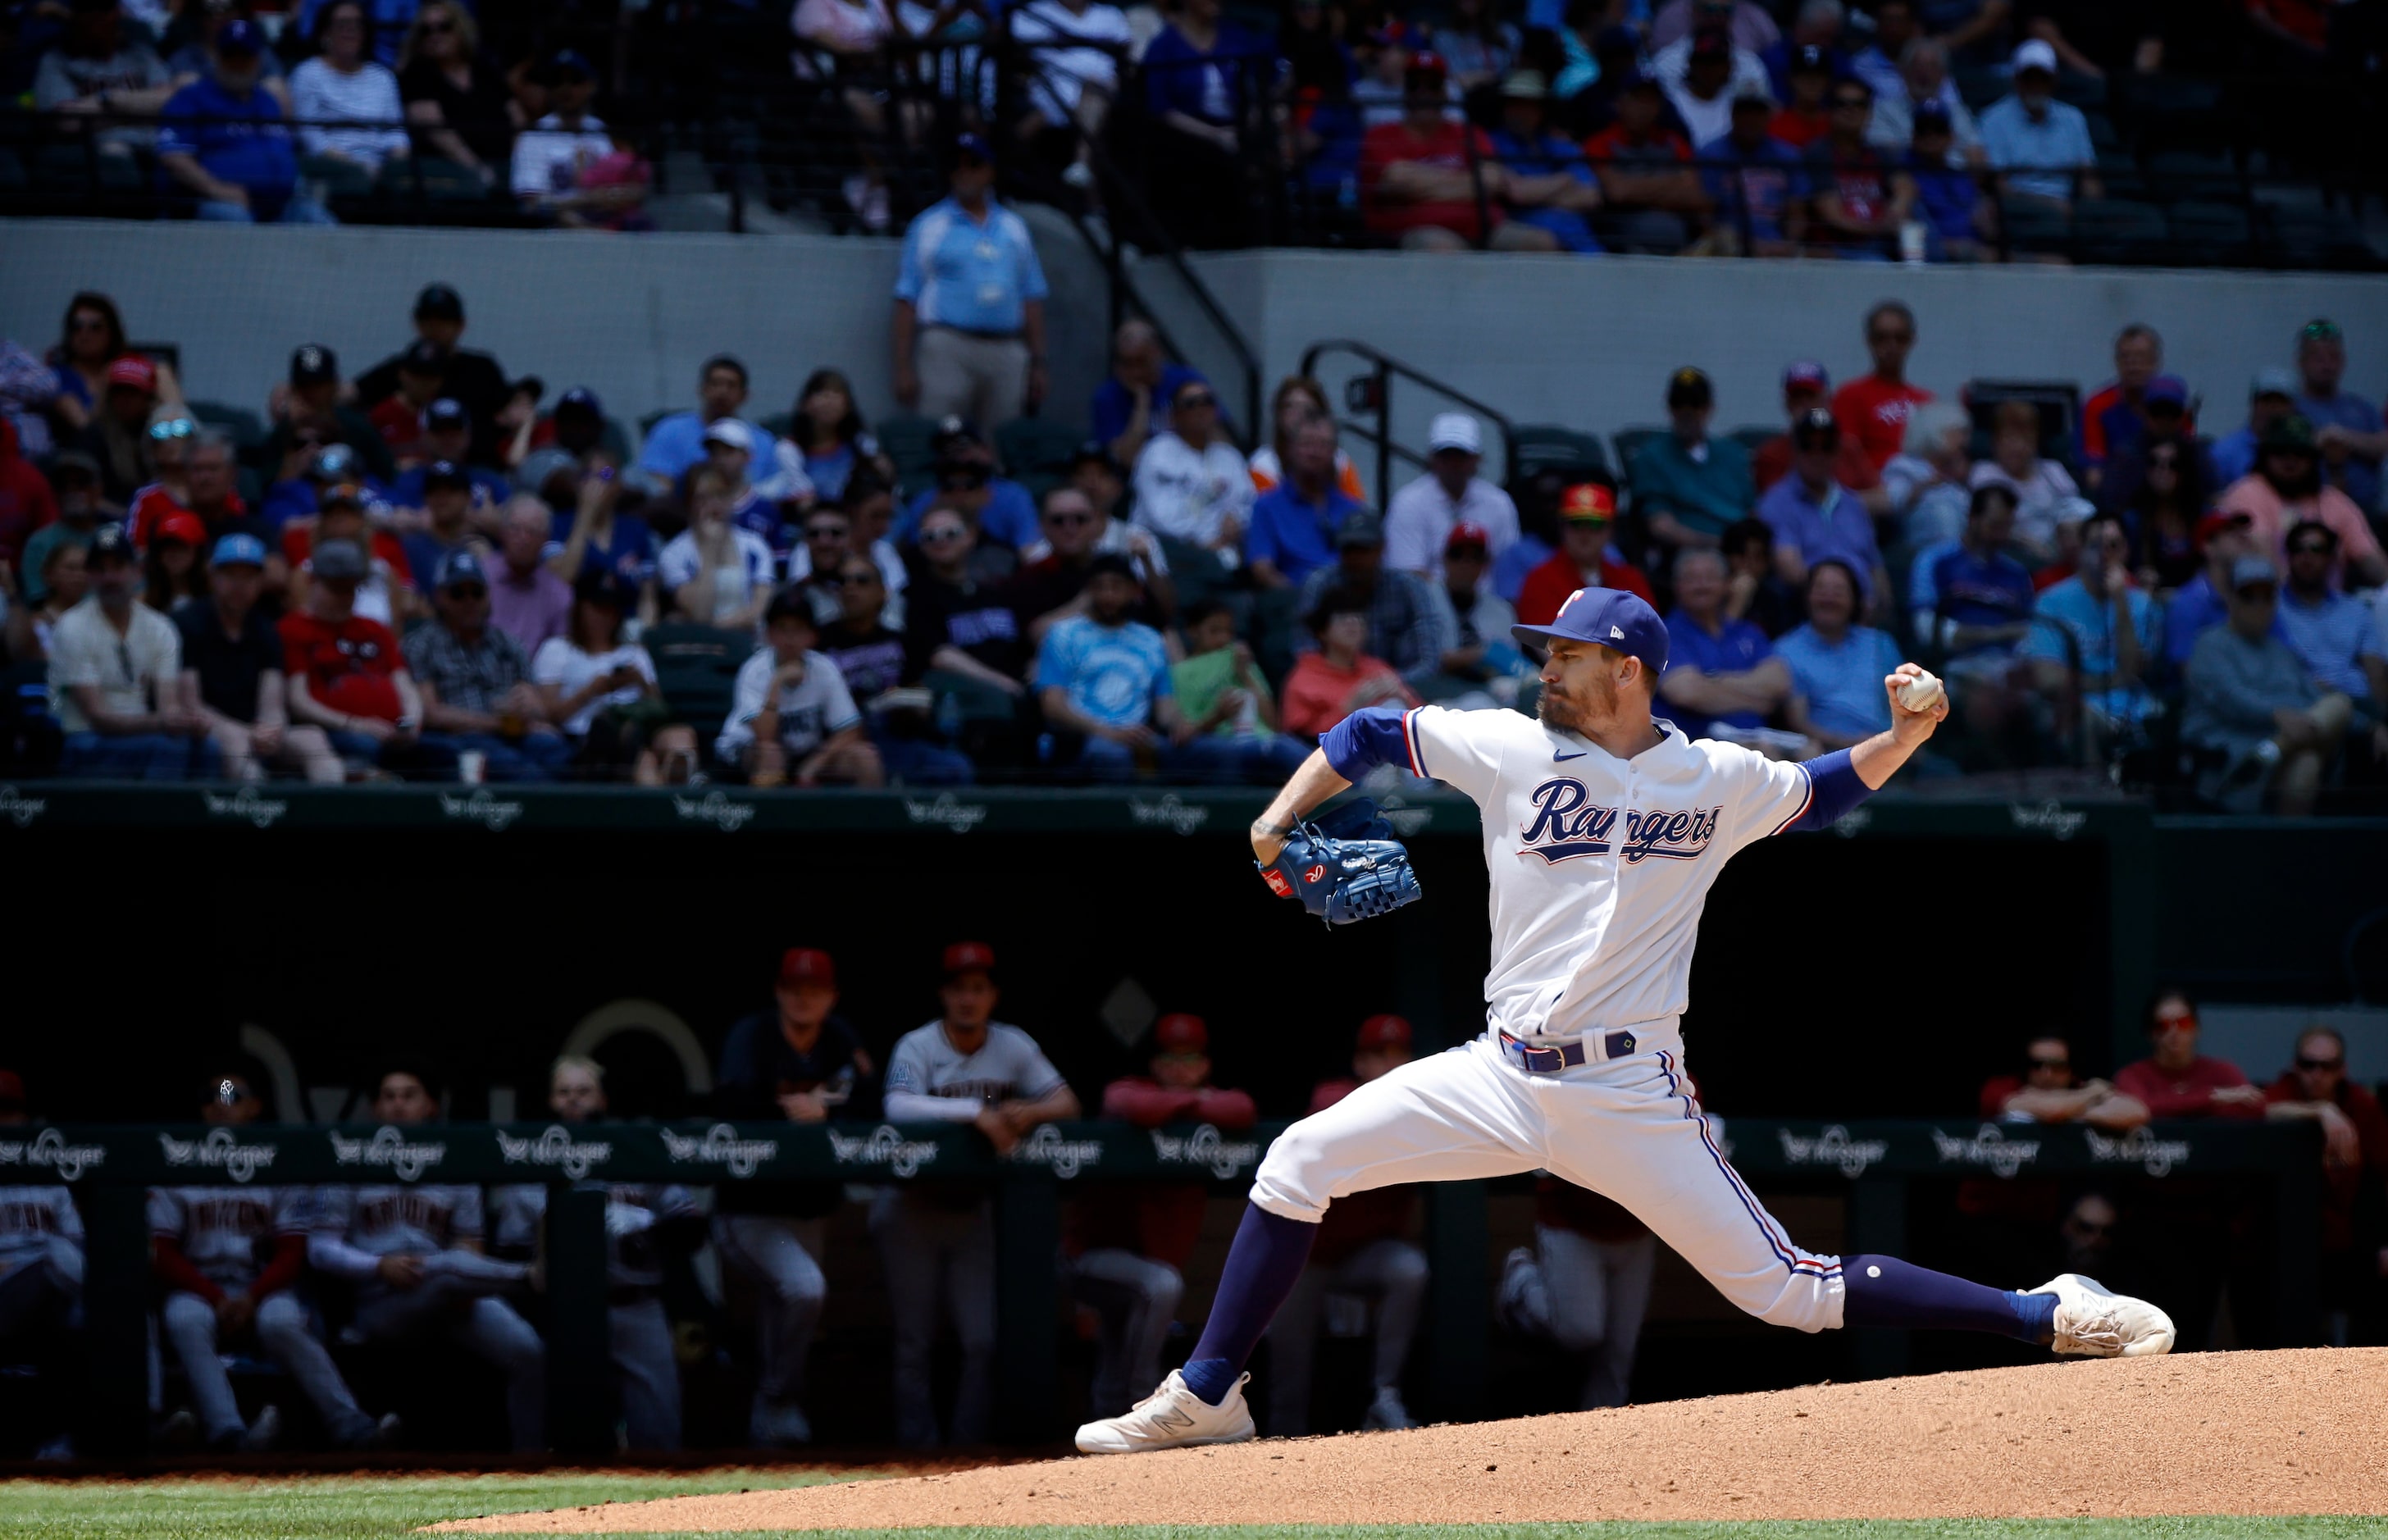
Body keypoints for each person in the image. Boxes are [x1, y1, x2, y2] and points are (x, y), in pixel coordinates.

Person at [1073, 585, 2174, 1457]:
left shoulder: (1715, 777)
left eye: (1564, 653)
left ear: (1626, 669)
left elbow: (1823, 790)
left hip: (1629, 1091)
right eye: (1544, 651)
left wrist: (1906, 734)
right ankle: (1209, 1391)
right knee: (1298, 1160)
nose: (1543, 666)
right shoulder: (1510, 746)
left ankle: (2046, 1310)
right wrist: (1276, 820)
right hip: (1498, 1074)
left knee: (1792, 1294)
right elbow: (1366, 728)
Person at [878, 943, 1080, 1447]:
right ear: (944, 995)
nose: (968, 999)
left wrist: (1029, 1113)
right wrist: (976, 1114)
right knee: (913, 1344)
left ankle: (967, 1455)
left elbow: (1067, 1101)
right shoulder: (917, 1045)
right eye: (959, 989)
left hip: (974, 1212)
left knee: (982, 1341)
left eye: (978, 989)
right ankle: (915, 1451)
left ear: (992, 996)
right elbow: (897, 1107)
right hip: (912, 1208)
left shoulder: (1012, 1045)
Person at [153, 1070, 393, 1452]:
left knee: (282, 1321)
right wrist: (214, 1295)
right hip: (200, 1287)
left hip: (261, 1285)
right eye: (211, 1096)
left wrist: (252, 1296)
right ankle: (228, 1432)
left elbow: (292, 1249)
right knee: (184, 1319)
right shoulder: (176, 1162)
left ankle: (351, 1426)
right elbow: (161, 1251)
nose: (220, 1103)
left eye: (232, 1095)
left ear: (255, 1107)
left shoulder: (276, 1160)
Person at [308, 1066, 544, 1451]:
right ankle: (531, 1277)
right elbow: (319, 1249)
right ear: (375, 1108)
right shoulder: (348, 1159)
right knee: (445, 1267)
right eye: (389, 1096)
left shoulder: (454, 1161)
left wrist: (468, 1283)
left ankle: (531, 1461)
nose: (398, 1104)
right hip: (380, 1302)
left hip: (450, 1293)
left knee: (527, 1351)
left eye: (409, 1095)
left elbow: (470, 1244)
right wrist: (377, 1265)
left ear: (430, 1105)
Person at [486, 1058, 696, 1451]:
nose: (573, 1101)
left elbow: (691, 1227)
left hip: (636, 1305)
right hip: (561, 1313)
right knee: (561, 1440)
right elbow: (509, 1255)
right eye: (564, 1093)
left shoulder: (639, 1152)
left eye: (583, 1092)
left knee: (661, 1438)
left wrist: (646, 1222)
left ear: (601, 1098)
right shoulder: (529, 1163)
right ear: (550, 1100)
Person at [713, 949, 876, 1447]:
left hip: (809, 1209)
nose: (804, 997)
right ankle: (777, 1400)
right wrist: (790, 1109)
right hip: (749, 1209)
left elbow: (870, 1104)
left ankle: (769, 1424)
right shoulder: (753, 1036)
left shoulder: (842, 1039)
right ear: (779, 992)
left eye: (815, 989)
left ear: (831, 996)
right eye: (794, 988)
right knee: (804, 1290)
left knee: (785, 1306)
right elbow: (730, 1102)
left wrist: (825, 1115)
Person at [1071, 1014, 1258, 1418]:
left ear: (1206, 1065)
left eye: (1190, 1058)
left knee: (1119, 1344)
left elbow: (1242, 1108)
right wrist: (1195, 1103)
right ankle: (1145, 1404)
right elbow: (1130, 1103)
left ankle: (1109, 1428)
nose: (1179, 1067)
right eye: (1170, 1058)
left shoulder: (1216, 1104)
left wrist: (1191, 1106)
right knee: (1161, 1285)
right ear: (1153, 1064)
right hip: (1088, 1258)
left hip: (1141, 1267)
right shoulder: (1131, 1090)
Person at [1263, 1015, 1429, 1434]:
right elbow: (1325, 1104)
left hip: (1363, 1255)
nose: (1390, 1064)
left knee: (1409, 1269)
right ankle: (1282, 1458)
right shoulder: (1337, 1097)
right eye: (1379, 1055)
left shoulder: (1427, 1107)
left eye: (1399, 1055)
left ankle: (1384, 1397)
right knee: (1289, 1390)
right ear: (1360, 1062)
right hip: (1304, 1257)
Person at [891, 134, 1050, 429]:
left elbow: (1032, 296)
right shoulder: (928, 226)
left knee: (1003, 442)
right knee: (939, 437)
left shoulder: (1015, 228)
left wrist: (1038, 362)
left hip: (1007, 349)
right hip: (948, 347)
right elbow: (907, 298)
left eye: (973, 163)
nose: (964, 171)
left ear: (990, 171)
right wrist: (903, 367)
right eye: (957, 164)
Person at [2182, 555, 2352, 816]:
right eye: (2249, 595)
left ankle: (2274, 750)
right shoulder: (2210, 644)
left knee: (2335, 710)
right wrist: (2276, 714)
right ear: (2231, 599)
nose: (2260, 604)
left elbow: (2315, 697)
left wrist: (2374, 727)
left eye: (2268, 596)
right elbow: (2231, 698)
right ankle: (2272, 754)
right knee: (2330, 720)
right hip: (2230, 749)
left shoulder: (2281, 652)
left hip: (2285, 745)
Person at [49, 523, 216, 779]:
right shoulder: (71, 627)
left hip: (141, 734)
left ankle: (203, 820)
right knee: (168, 747)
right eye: (100, 570)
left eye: (118, 567)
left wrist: (188, 722)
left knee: (210, 749)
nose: (109, 578)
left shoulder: (160, 627)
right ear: (90, 577)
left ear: (137, 572)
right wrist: (163, 723)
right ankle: (153, 819)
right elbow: (97, 716)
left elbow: (168, 704)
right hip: (84, 737)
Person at [1033, 554, 1215, 781]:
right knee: (1112, 755)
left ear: (1133, 591)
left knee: (1213, 753)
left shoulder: (1151, 641)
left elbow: (1165, 708)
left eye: (1116, 587)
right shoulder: (1063, 635)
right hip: (1080, 739)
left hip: (1136, 737)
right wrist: (1108, 732)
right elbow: (1053, 705)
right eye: (1099, 587)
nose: (1107, 595)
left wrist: (1182, 724)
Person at [177, 533, 342, 783]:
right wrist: (245, 732)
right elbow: (191, 704)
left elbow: (272, 702)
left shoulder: (267, 630)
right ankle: (260, 816)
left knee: (313, 739)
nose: (239, 584)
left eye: (249, 576)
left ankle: (325, 818)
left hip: (253, 729)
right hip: (210, 728)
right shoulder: (188, 623)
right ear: (213, 577)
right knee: (236, 742)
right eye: (231, 574)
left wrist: (271, 729)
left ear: (261, 581)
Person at [281, 537, 446, 777]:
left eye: (351, 588)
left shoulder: (374, 629)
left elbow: (404, 685)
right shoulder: (293, 629)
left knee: (445, 752)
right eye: (337, 588)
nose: (345, 597)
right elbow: (298, 700)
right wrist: (355, 724)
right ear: (313, 582)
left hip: (393, 731)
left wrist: (409, 723)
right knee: (366, 748)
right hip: (337, 729)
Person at [2262, 1026, 2388, 1337]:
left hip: (2353, 1240)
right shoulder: (2284, 1092)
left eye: (2327, 1066)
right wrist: (2321, 1110)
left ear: (2342, 1070)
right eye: (2308, 1065)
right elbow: (2260, 1112)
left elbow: (2384, 1174)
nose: (2317, 1074)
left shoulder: (2362, 1104)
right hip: (2290, 1244)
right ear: (2295, 1066)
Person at [403, 549, 570, 781]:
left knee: (558, 754)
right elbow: (430, 713)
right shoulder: (422, 644)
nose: (469, 601)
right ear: (440, 597)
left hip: (516, 732)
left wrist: (532, 708)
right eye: (458, 593)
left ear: (488, 595)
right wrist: (495, 724)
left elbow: (535, 702)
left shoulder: (507, 642)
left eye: (477, 592)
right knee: (521, 771)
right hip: (461, 740)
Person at [157, 20, 335, 224]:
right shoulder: (192, 98)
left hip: (280, 205)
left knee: (316, 218)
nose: (238, 64)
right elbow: (173, 156)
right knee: (233, 218)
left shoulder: (267, 101)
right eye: (231, 56)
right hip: (215, 202)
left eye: (246, 57)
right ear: (217, 57)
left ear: (258, 59)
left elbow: (285, 152)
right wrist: (217, 189)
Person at [1497, 1179, 1655, 1410]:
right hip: (1571, 1222)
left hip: (1636, 1230)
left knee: (1619, 1351)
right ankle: (1522, 1282)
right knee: (1580, 1332)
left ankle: (1602, 1433)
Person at [1361, 54, 1530, 252]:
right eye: (1415, 86)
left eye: (1433, 87)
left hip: (1485, 228)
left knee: (1539, 243)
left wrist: (1421, 189)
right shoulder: (1380, 135)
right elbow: (1398, 180)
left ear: (1444, 92)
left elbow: (1492, 181)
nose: (1423, 94)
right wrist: (1469, 186)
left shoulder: (1468, 132)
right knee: (1442, 248)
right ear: (1405, 92)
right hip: (1415, 229)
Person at [0, 1071, 86, 1461]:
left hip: (47, 1290)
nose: (4, 1120)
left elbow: (74, 1243)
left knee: (69, 1300)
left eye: (10, 1111)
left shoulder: (48, 1174)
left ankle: (63, 1437)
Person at [717, 587, 881, 785]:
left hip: (805, 753)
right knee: (771, 754)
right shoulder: (754, 670)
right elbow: (765, 736)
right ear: (769, 634)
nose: (790, 639)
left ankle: (869, 816)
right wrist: (777, 683)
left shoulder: (824, 668)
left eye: (798, 630)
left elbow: (850, 729)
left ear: (812, 636)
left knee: (865, 757)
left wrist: (816, 762)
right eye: (782, 629)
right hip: (747, 751)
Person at [2217, 415, 2388, 589]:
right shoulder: (2247, 492)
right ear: (2265, 456)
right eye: (2281, 451)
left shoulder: (2334, 502)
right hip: (2269, 605)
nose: (2290, 460)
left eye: (2300, 453)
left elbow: (2372, 560)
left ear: (2313, 459)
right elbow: (2264, 560)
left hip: (2332, 608)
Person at [354, 285, 513, 470]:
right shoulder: (398, 368)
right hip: (414, 473)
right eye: (427, 320)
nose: (434, 327)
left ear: (460, 325)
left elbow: (511, 410)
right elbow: (352, 393)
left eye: (443, 320)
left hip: (476, 470)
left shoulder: (482, 369)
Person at [1294, 512, 1453, 691]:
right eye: (1349, 549)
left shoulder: (1409, 587)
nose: (1355, 558)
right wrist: (1347, 687)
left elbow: (1429, 661)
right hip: (1334, 691)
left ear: (1381, 548)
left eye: (1363, 549)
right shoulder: (1321, 584)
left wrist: (1383, 688)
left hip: (1402, 689)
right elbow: (1305, 653)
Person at [1657, 545, 1793, 743]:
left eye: (1710, 578)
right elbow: (1686, 693)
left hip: (1757, 736)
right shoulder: (1665, 633)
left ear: (1727, 583)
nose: (1701, 585)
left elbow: (1780, 683)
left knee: (1810, 750)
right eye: (1691, 579)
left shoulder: (1747, 631)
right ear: (1676, 585)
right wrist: (1758, 701)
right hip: (1696, 744)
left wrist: (1711, 680)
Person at [1757, 408, 1889, 613]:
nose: (1817, 454)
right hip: (1812, 613)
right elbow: (1791, 572)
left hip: (1865, 618)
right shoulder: (1776, 504)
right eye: (1808, 446)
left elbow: (1875, 567)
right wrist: (1846, 602)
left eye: (1826, 447)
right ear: (1795, 450)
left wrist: (1883, 609)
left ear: (1837, 452)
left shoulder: (1854, 504)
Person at [1777, 559, 1904, 751]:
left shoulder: (1880, 643)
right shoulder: (1786, 650)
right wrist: (1853, 746)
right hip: (1830, 756)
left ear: (1855, 600)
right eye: (1820, 590)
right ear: (1807, 596)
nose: (1829, 598)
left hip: (1895, 751)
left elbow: (1906, 706)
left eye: (1838, 591)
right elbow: (1797, 723)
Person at [2276, 522, 2387, 742]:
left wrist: (2383, 721)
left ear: (2332, 559)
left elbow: (2376, 675)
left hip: (2360, 703)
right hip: (2305, 704)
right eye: (2298, 549)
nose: (2307, 556)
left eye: (2317, 549)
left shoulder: (2355, 610)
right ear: (2288, 556)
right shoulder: (2271, 610)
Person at [1582, 67, 1709, 253]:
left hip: (1681, 247)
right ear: (1619, 103)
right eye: (1637, 99)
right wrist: (1674, 183)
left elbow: (1696, 196)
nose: (1644, 108)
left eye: (1651, 100)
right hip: (1623, 246)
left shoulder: (1674, 143)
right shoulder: (1600, 143)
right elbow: (1617, 192)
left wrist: (1637, 191)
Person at [1132, 378, 1252, 571]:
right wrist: (1207, 542)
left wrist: (1236, 519)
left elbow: (1248, 502)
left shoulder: (1230, 456)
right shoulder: (1157, 453)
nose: (1201, 408)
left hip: (1220, 552)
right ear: (1174, 415)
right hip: (1169, 552)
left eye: (1207, 401)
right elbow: (1163, 519)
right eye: (1190, 404)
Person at [1383, 413, 1521, 581]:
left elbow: (1509, 570)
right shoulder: (1408, 503)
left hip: (1489, 604)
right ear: (1432, 457)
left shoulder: (1499, 503)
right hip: (1425, 606)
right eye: (1446, 455)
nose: (1453, 463)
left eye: (1461, 455)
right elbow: (1407, 576)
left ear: (1477, 458)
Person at [1631, 368, 1757, 551]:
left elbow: (1752, 512)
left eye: (1695, 403)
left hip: (1742, 551)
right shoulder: (1652, 457)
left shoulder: (1733, 454)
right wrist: (1716, 545)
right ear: (1669, 407)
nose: (1686, 411)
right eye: (1679, 403)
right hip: (1690, 552)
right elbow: (1660, 525)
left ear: (1709, 408)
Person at [34, 0, 174, 164]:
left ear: (116, 15)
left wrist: (112, 101)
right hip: (98, 156)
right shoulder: (56, 61)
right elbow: (66, 122)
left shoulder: (141, 56)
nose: (97, 17)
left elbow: (171, 103)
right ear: (75, 17)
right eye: (87, 10)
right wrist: (119, 103)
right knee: (115, 155)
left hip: (158, 147)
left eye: (104, 9)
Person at [397, 1, 517, 189]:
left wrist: (523, 164)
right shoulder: (417, 74)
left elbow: (518, 118)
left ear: (460, 29)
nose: (435, 35)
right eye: (426, 30)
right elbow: (436, 130)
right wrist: (477, 168)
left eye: (444, 27)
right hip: (450, 170)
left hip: (505, 163)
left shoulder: (484, 69)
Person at [1281, 585, 1424, 740]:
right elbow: (1298, 737)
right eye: (1343, 617)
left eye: (1359, 617)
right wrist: (1349, 709)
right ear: (1322, 631)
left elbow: (1423, 719)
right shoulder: (1304, 678)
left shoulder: (1378, 668)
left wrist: (1403, 696)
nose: (1353, 622)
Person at [290, 0, 411, 176]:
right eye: (342, 24)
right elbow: (310, 136)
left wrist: (397, 165)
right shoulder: (307, 74)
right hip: (329, 168)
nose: (351, 30)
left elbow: (395, 133)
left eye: (357, 24)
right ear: (325, 33)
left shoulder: (383, 78)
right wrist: (356, 168)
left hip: (381, 168)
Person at [1977, 39, 2097, 212]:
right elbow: (2000, 186)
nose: (2035, 85)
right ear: (2016, 79)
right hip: (2019, 211)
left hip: (2067, 212)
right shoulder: (1993, 119)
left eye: (2042, 78)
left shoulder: (2073, 118)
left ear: (2054, 80)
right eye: (2029, 78)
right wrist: (2049, 207)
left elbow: (2089, 177)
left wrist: (2091, 210)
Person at [1969, 398, 2091, 566]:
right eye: (2009, 439)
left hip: (2057, 549)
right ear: (1995, 442)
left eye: (2026, 439)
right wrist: (2028, 543)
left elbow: (2076, 509)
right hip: (2007, 550)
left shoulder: (2052, 470)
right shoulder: (1984, 474)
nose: (2018, 447)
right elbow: (1988, 524)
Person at [1246, 417, 1363, 589]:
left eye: (1324, 445)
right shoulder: (1267, 506)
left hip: (1349, 600)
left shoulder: (1353, 509)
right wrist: (1304, 599)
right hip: (1293, 600)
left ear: (1334, 453)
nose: (1314, 452)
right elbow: (1262, 569)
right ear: (1290, 449)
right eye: (1306, 444)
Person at [1515, 481, 1655, 624]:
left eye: (1595, 524)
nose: (1585, 533)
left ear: (1610, 530)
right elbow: (1543, 642)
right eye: (1576, 523)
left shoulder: (1631, 580)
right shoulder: (1540, 581)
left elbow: (1648, 634)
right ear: (1562, 527)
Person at [1803, 77, 1913, 257]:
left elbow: (1905, 186)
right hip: (1841, 247)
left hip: (1882, 242)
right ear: (1829, 111)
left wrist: (1897, 208)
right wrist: (1882, 227)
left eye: (1859, 104)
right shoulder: (1819, 153)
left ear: (1869, 113)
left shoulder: (1878, 152)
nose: (1851, 110)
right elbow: (1833, 217)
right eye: (1842, 104)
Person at [2114, 991, 2265, 1121]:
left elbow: (2257, 1108)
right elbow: (2140, 1108)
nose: (2174, 1032)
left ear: (2197, 1028)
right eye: (2164, 1025)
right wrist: (2212, 1098)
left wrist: (2177, 1107)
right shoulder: (2133, 1075)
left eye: (2184, 1023)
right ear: (2152, 1034)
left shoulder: (2222, 1071)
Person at [661, 465, 776, 631]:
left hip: (749, 640)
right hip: (700, 645)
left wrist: (714, 628)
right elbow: (700, 613)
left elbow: (758, 611)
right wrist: (710, 551)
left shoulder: (755, 546)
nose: (714, 505)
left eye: (720, 495)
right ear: (688, 503)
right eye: (702, 498)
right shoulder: (674, 553)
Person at [2292, 318, 2387, 515]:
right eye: (2318, 358)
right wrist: (2316, 442)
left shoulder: (2362, 408)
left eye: (2333, 357)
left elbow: (2383, 444)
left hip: (2365, 513)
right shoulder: (2290, 408)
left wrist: (2343, 437)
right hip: (2307, 511)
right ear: (2301, 362)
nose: (2327, 365)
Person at [2078, 325, 2191, 490]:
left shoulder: (2173, 403)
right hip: (2117, 493)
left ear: (2156, 361)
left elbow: (2189, 463)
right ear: (2116, 362)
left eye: (2141, 357)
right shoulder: (2097, 405)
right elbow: (2094, 475)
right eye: (2126, 358)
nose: (2133, 365)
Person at [1700, 82, 1805, 258]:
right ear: (1733, 114)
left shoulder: (1788, 156)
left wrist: (1788, 244)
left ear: (1768, 115)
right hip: (1727, 245)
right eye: (1744, 111)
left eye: (1757, 112)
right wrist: (1739, 245)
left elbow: (1797, 213)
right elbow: (1705, 216)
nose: (1751, 119)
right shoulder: (1712, 154)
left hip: (1776, 246)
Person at [509, 49, 615, 224]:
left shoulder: (599, 131)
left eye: (575, 81)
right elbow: (532, 202)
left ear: (591, 85)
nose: (565, 89)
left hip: (603, 224)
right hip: (550, 231)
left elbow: (615, 191)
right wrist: (588, 203)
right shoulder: (534, 135)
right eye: (557, 81)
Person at [1092, 321, 1212, 471]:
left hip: (1190, 472)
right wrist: (1142, 402)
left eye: (1141, 362)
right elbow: (1126, 459)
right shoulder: (1107, 397)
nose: (1136, 372)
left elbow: (1216, 435)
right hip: (1134, 481)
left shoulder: (1186, 381)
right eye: (1127, 364)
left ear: (1157, 353)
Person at [1830, 302, 1932, 475]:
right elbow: (1846, 457)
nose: (1891, 346)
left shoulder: (1927, 400)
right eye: (1882, 338)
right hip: (1876, 490)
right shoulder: (1850, 395)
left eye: (1900, 338)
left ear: (1911, 341)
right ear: (1869, 340)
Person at [636, 357, 769, 489]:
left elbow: (772, 490)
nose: (722, 392)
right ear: (701, 389)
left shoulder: (763, 442)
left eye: (731, 385)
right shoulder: (669, 431)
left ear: (745, 395)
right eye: (715, 384)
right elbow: (656, 480)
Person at [1980, 1036, 2147, 1128]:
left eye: (2057, 1066)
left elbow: (2137, 1111)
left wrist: (2071, 1109)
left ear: (2070, 1071)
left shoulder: (2077, 1089)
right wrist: (2092, 1094)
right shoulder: (2001, 1088)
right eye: (2037, 1065)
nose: (2047, 1074)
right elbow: (2054, 1111)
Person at [1247, 377, 1366, 502]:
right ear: (1279, 415)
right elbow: (1269, 514)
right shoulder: (1263, 465)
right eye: (1289, 407)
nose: (1298, 414)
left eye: (1306, 408)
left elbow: (1356, 509)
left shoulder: (1340, 461)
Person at [2211, 368, 2301, 492]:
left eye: (2280, 402)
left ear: (2293, 408)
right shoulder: (2225, 451)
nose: (2273, 408)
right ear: (2253, 404)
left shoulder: (2304, 453)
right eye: (2266, 401)